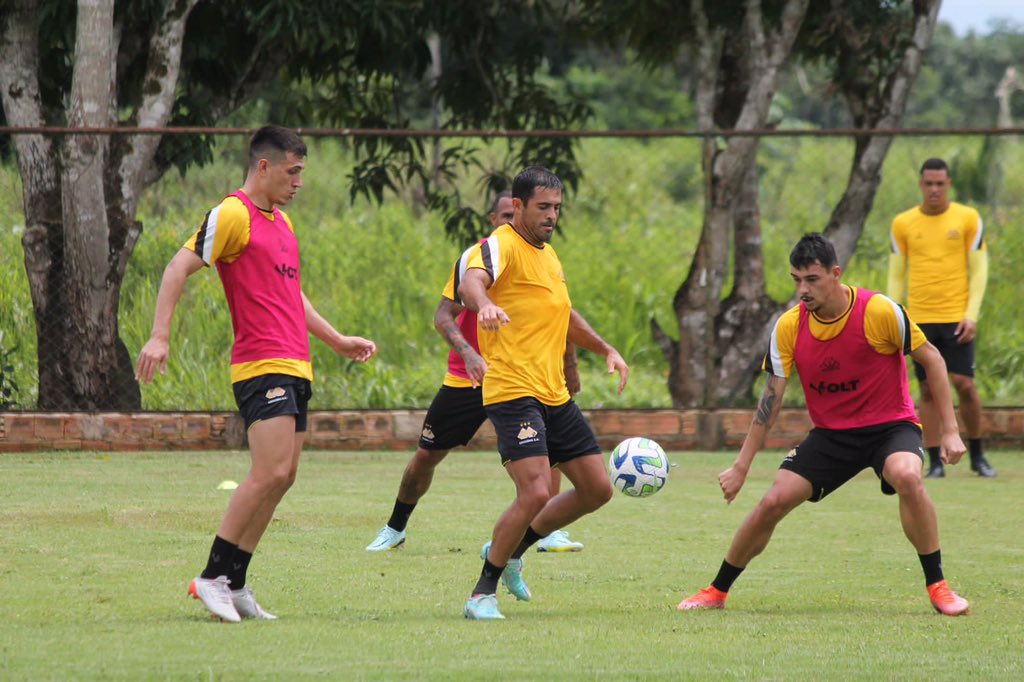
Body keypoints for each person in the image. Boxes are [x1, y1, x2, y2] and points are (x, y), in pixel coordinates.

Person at [135, 125, 377, 623]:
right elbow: (177, 268)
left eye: (302, 172)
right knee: (267, 471)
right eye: (293, 171)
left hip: (295, 363)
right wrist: (160, 335)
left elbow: (294, 297)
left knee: (284, 476)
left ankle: (236, 581)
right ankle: (210, 577)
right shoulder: (232, 213)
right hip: (260, 363)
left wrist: (335, 340)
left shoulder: (282, 224)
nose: (299, 182)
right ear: (263, 167)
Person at [677, 233, 971, 617]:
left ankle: (939, 586)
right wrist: (741, 466)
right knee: (772, 502)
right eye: (796, 279)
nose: (802, 289)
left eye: (812, 279)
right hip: (833, 436)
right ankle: (716, 590)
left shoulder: (878, 311)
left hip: (890, 427)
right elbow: (771, 400)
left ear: (836, 274)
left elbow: (932, 360)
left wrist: (949, 430)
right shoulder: (788, 327)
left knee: (907, 476)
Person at [365, 192, 585, 554]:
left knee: (550, 450)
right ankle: (395, 527)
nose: (506, 222)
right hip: (469, 377)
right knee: (427, 456)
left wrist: (569, 364)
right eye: (501, 215)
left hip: (523, 378)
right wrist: (468, 354)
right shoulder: (476, 257)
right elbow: (442, 315)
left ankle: (547, 528)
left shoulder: (539, 256)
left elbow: (559, 314)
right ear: (494, 217)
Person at [457, 166, 630, 620]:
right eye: (543, 207)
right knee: (534, 492)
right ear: (517, 206)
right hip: (512, 390)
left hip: (553, 394)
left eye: (557, 208)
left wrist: (605, 348)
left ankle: (513, 551)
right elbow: (469, 283)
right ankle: (481, 594)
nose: (552, 216)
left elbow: (565, 316)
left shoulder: (549, 257)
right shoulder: (499, 246)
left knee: (597, 489)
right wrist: (486, 303)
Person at [888, 158, 994, 478]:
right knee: (928, 390)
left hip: (956, 318)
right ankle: (934, 460)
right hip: (919, 320)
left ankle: (977, 454)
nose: (934, 189)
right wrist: (896, 315)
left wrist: (970, 315)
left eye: (940, 184)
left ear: (949, 184)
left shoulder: (967, 218)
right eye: (928, 183)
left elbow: (979, 271)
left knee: (964, 385)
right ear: (921, 184)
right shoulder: (903, 223)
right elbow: (896, 275)